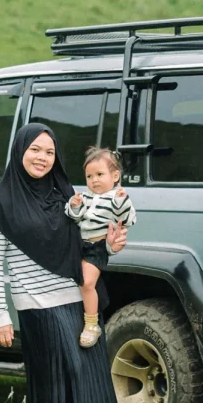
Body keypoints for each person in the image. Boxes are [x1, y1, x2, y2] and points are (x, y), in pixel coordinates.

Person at [0, 123, 134, 403]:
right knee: (62, 387)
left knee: (92, 384)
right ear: (20, 151)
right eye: (35, 150)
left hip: (79, 302)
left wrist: (111, 246)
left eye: (49, 152)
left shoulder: (65, 193)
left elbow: (86, 245)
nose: (42, 158)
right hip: (38, 306)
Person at [66, 147, 137, 348]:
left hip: (97, 246)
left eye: (99, 174)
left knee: (87, 283)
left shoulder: (117, 197)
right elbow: (75, 217)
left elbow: (127, 219)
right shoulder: (86, 196)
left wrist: (121, 201)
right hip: (80, 244)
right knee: (79, 283)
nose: (94, 180)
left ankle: (92, 324)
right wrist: (74, 205)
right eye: (89, 176)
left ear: (115, 176)